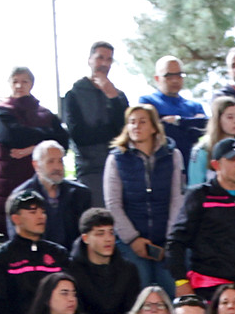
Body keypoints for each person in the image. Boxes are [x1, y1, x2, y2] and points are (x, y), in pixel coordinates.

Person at [170, 137, 235, 296]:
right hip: (207, 287)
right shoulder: (199, 195)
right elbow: (176, 241)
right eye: (232, 159)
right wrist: (181, 280)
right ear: (216, 165)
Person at [102, 104, 183, 293]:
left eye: (142, 121)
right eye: (131, 122)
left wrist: (170, 240)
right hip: (130, 242)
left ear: (154, 127)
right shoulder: (116, 158)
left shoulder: (172, 155)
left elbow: (177, 199)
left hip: (166, 241)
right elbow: (113, 204)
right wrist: (133, 239)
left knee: (171, 292)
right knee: (139, 293)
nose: (136, 126)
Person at [0, 190, 66, 314]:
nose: (41, 216)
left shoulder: (58, 253)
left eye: (43, 212)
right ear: (16, 218)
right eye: (33, 212)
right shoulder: (3, 257)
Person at [59, 42, 127, 204]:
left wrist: (113, 99)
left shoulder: (119, 96)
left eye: (109, 59)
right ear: (89, 60)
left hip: (120, 165)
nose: (104, 63)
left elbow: (125, 132)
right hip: (90, 169)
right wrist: (111, 132)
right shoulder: (73, 95)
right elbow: (79, 135)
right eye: (100, 58)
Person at [65, 209, 140, 314]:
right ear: (85, 238)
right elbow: (76, 312)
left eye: (111, 232)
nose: (108, 239)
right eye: (100, 234)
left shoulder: (128, 269)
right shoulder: (71, 271)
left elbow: (133, 307)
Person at [141, 56, 207, 161]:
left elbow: (205, 127)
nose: (175, 80)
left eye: (179, 75)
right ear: (157, 78)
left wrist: (177, 120)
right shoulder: (148, 102)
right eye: (169, 76)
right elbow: (158, 130)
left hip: (191, 163)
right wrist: (190, 123)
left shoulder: (194, 106)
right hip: (162, 163)